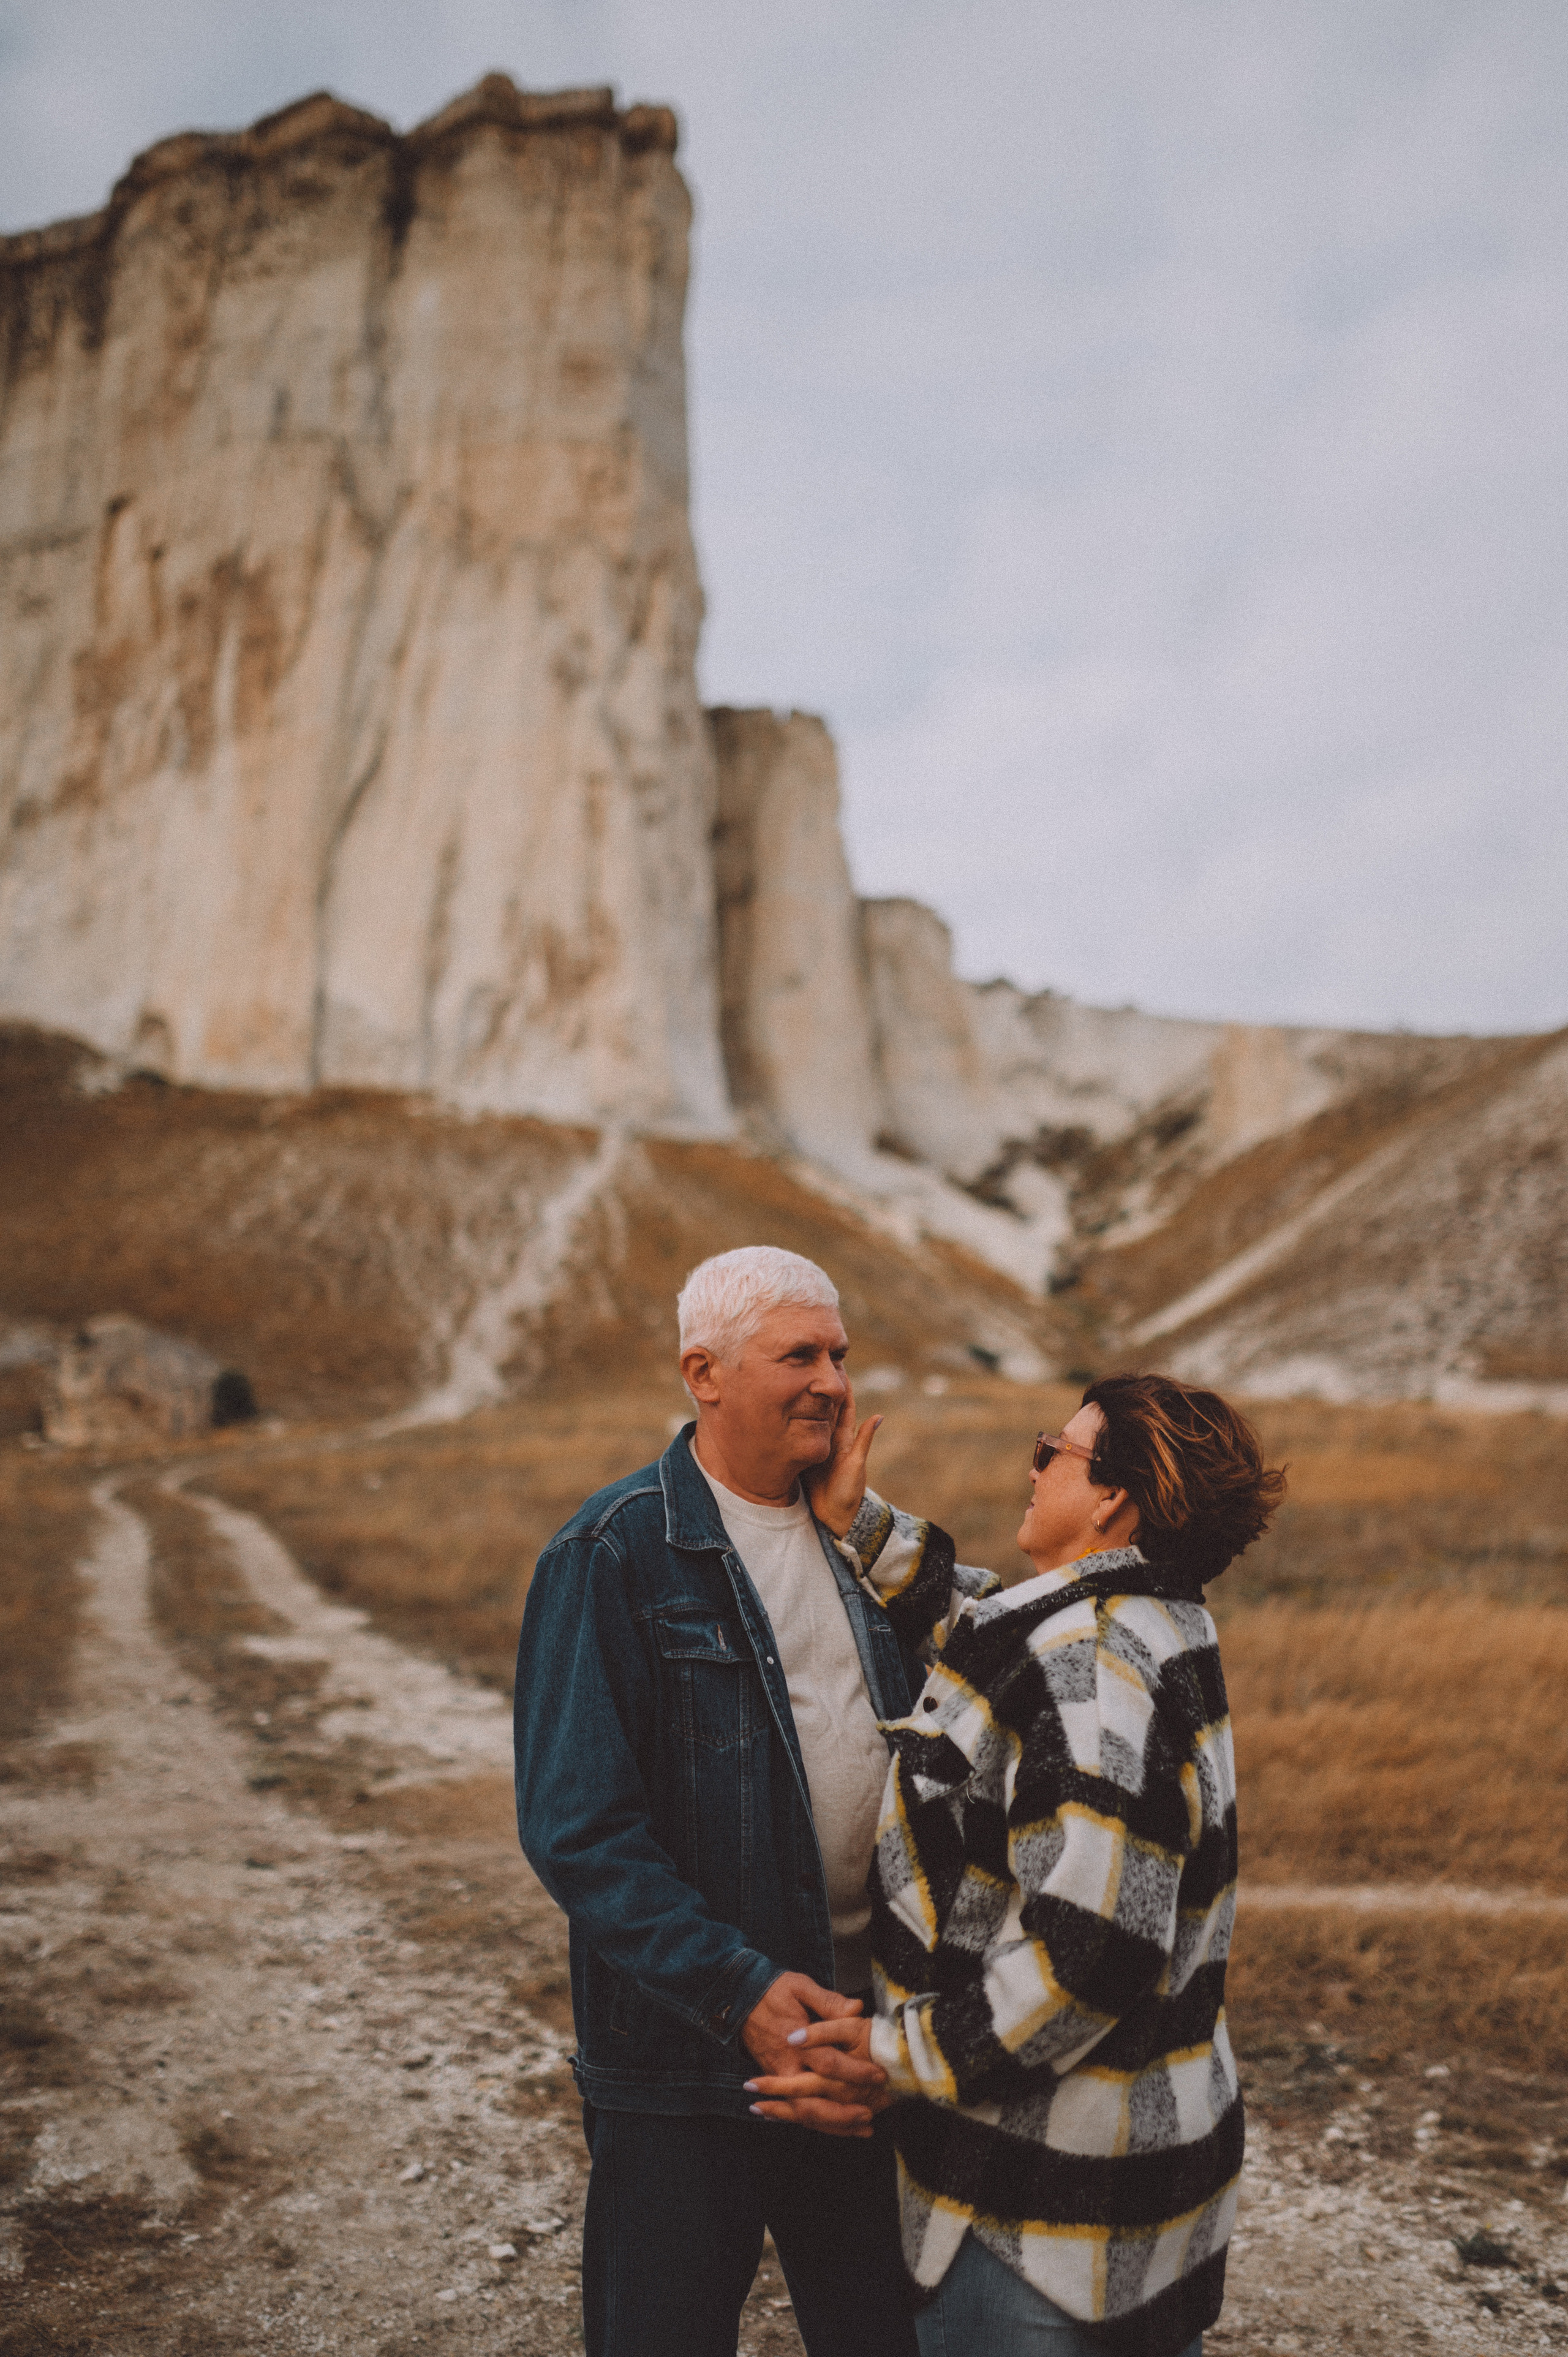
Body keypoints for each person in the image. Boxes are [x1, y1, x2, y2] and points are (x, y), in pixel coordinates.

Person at [750, 1373, 1284, 2357]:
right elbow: (994, 1631)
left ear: (1112, 1495)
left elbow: (1094, 1951)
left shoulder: (1089, 1666)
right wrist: (861, 1525)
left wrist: (888, 2056)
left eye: (1054, 1450)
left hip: (1034, 2214)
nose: (1033, 1467)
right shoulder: (1157, 1621)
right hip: (1141, 2186)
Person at [514, 1244, 972, 2357]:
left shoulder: (866, 1543)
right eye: (799, 1355)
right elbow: (578, 1831)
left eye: (841, 1355)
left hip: (862, 2047)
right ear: (704, 1374)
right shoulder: (612, 1552)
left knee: (882, 2337)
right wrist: (741, 1991)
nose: (832, 1381)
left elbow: (999, 1668)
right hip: (684, 2064)